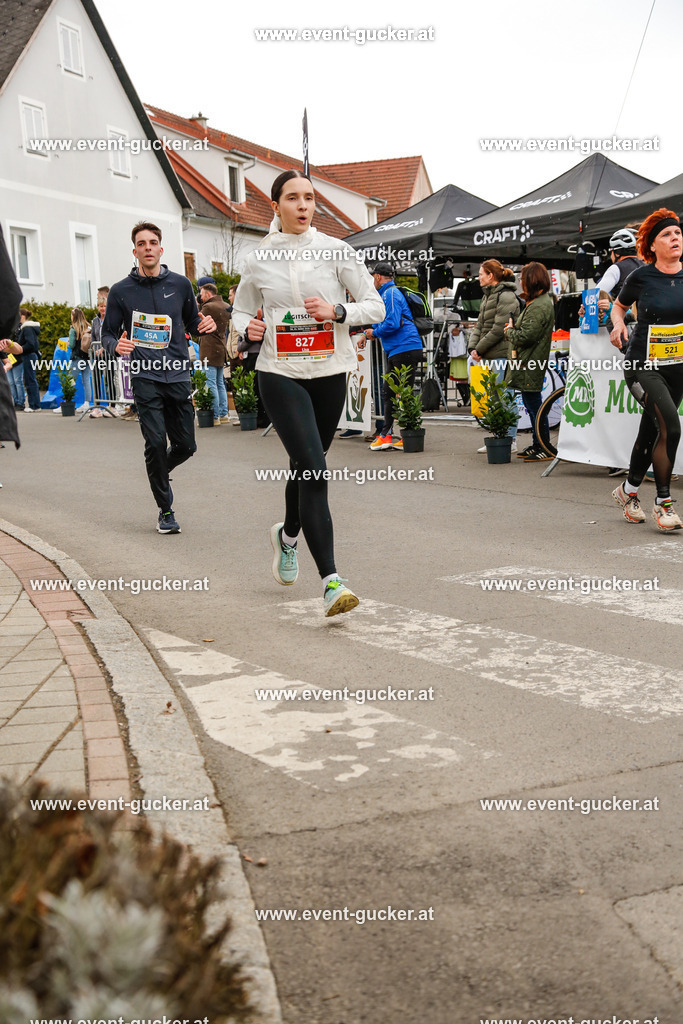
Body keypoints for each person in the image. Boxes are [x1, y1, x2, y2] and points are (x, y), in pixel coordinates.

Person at [231, 169, 385, 616]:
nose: (303, 205)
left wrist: (337, 310)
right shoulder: (258, 258)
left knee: (305, 464)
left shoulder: (337, 251)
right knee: (316, 470)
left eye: (309, 198)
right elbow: (241, 309)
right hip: (278, 371)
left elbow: (374, 305)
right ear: (276, 205)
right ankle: (332, 583)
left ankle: (288, 534)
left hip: (329, 371)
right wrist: (248, 326)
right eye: (293, 198)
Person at [101, 221, 217, 533]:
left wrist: (204, 327)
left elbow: (193, 322)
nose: (148, 247)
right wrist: (116, 345)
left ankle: (158, 473)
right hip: (144, 376)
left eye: (153, 242)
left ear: (161, 249)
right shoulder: (120, 292)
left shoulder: (180, 285)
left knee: (186, 446)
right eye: (142, 243)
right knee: (154, 443)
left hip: (178, 375)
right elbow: (107, 333)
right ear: (135, 250)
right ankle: (166, 510)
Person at [610, 208, 683, 531]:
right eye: (667, 234)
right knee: (672, 426)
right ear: (652, 246)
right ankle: (663, 504)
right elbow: (619, 306)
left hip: (677, 367)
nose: (675, 238)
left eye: (678, 233)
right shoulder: (641, 276)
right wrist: (616, 326)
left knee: (652, 430)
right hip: (643, 366)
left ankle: (627, 491)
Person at [364, 262, 423, 452]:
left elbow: (392, 323)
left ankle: (387, 435)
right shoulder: (390, 292)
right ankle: (405, 433)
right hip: (404, 347)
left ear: (377, 277)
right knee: (400, 392)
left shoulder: (389, 293)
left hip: (403, 347)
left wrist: (374, 333)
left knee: (390, 392)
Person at [504, 262, 555, 461]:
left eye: (523, 278)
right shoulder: (538, 302)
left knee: (534, 406)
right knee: (532, 404)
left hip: (529, 362)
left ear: (531, 281)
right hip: (528, 361)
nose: (521, 282)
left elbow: (526, 336)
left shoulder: (539, 305)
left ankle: (544, 446)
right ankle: (538, 444)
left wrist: (509, 331)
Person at [468, 260, 520, 452]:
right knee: (495, 399)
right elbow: (479, 325)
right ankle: (500, 436)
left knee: (506, 397)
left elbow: (499, 329)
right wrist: (473, 348)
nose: (478, 277)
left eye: (481, 273)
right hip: (490, 355)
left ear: (490, 275)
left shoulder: (506, 296)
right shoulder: (487, 297)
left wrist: (479, 349)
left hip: (501, 355)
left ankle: (511, 439)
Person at [197, 283, 230, 424]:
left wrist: (198, 304)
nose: (200, 296)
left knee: (210, 382)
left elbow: (196, 321)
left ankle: (214, 415)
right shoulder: (225, 305)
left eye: (201, 293)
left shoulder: (208, 307)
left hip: (209, 348)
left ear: (208, 294)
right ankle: (223, 414)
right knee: (220, 383)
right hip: (221, 346)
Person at [67, 308, 93, 413]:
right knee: (86, 381)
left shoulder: (73, 329)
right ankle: (87, 403)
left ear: (74, 316)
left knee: (70, 380)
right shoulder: (88, 328)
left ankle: (67, 401)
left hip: (77, 358)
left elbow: (72, 345)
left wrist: (69, 343)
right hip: (87, 358)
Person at [15, 309, 42, 412]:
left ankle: (34, 405)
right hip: (29, 356)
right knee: (31, 379)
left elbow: (31, 344)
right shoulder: (27, 327)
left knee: (30, 380)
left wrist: (20, 349)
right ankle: (34, 404)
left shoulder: (27, 328)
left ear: (22, 316)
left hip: (29, 356)